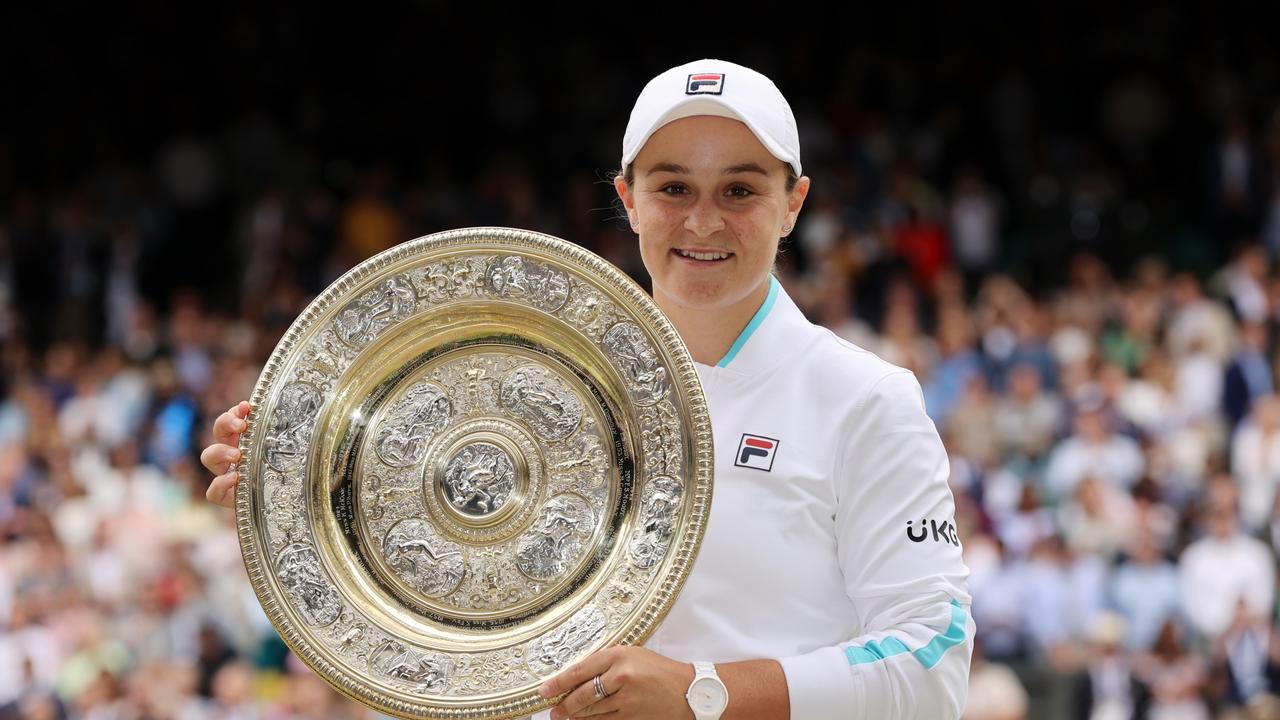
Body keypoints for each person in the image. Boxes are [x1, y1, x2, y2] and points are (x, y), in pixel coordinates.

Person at [201, 58, 974, 719]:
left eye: (740, 191)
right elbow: (454, 659)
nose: (703, 222)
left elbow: (931, 660)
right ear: (629, 198)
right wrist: (298, 511)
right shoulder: (526, 383)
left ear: (793, 203)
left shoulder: (865, 399)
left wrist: (701, 694)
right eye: (674, 188)